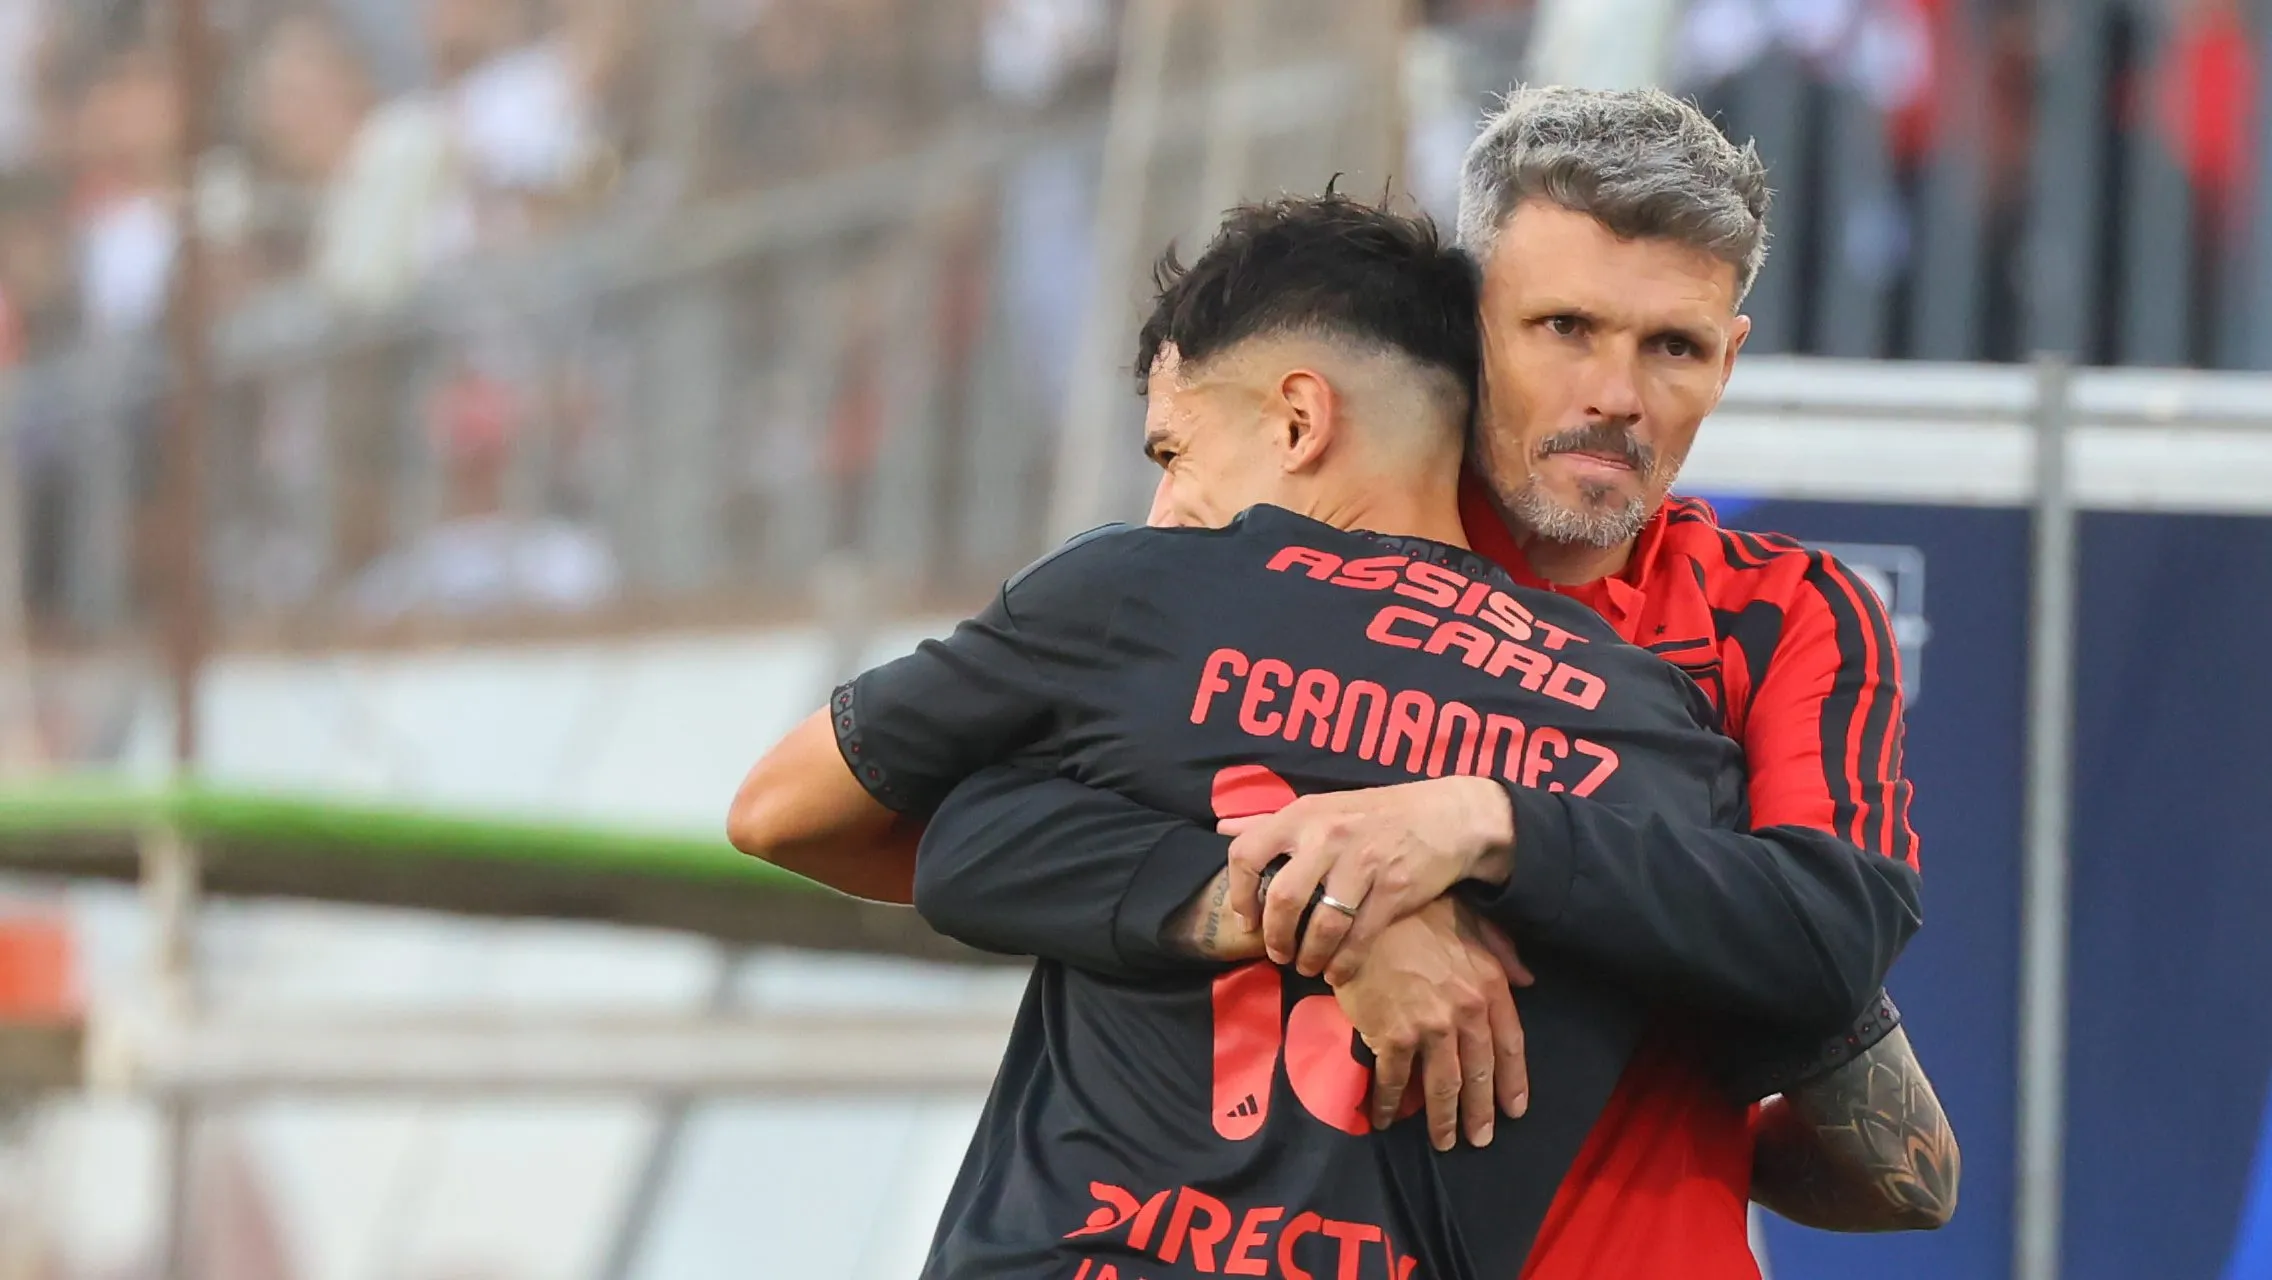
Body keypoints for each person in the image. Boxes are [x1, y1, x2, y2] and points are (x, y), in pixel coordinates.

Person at [747, 86, 1960, 1277]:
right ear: (1469, 315)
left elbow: (1831, 947)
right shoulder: (1259, 554)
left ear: (1730, 355)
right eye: (1565, 328)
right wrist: (1337, 922)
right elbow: (968, 833)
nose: (1615, 395)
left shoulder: (1775, 616)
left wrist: (1481, 829)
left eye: (1674, 347)